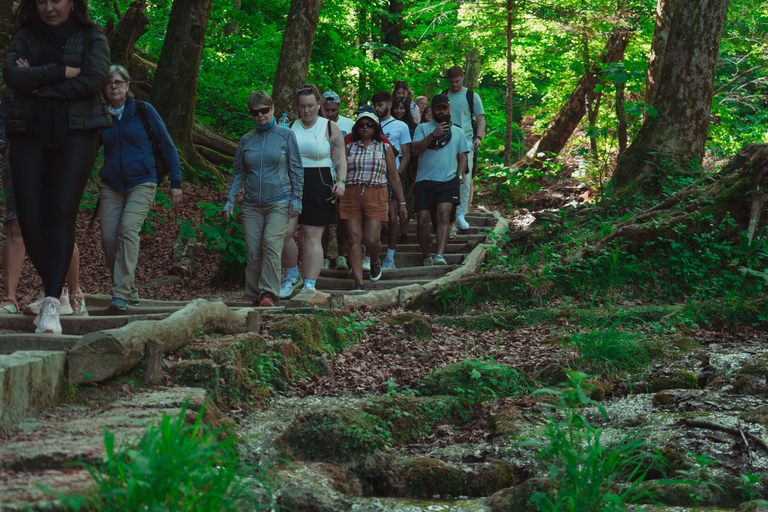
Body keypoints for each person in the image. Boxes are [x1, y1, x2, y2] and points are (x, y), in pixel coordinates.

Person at [3, 0, 111, 333]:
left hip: (78, 133)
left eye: (57, 0)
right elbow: (11, 75)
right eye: (41, 1)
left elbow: (92, 80)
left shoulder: (93, 37)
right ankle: (57, 291)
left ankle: (52, 302)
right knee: (28, 217)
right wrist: (61, 71)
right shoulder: (25, 36)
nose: (49, 7)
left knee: (60, 211)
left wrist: (36, 85)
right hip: (29, 132)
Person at [99, 64, 182, 311]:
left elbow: (168, 146)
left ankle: (121, 294)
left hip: (142, 181)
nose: (114, 86)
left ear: (128, 85)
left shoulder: (143, 110)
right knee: (108, 238)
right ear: (103, 88)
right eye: (109, 83)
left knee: (127, 230)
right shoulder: (100, 115)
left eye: (119, 82)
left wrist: (175, 183)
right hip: (111, 184)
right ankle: (129, 288)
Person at [0, 89, 87, 317]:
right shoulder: (20, 83)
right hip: (19, 159)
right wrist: (6, 148)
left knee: (57, 223)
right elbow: (5, 116)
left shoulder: (64, 81)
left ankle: (73, 293)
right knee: (16, 222)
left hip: (56, 158)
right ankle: (10, 298)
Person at [224, 91, 303, 307]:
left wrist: (297, 199)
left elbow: (296, 169)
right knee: (253, 249)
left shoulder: (286, 136)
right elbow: (238, 171)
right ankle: (253, 295)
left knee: (270, 243)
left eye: (264, 110)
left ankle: (269, 294)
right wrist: (230, 199)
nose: (260, 115)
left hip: (279, 200)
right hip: (251, 204)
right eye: (254, 112)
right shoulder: (246, 140)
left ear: (273, 109)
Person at [280, 84, 347, 297]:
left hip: (320, 182)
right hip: (293, 184)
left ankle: (310, 284)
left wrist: (342, 181)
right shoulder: (290, 127)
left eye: (310, 105)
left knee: (311, 235)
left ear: (318, 105)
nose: (306, 110)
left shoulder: (329, 127)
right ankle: (292, 276)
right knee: (283, 233)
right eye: (302, 106)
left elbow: (340, 158)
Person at [340, 111, 407, 291]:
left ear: (376, 127)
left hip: (377, 194)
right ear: (356, 127)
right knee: (354, 239)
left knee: (371, 239)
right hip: (351, 194)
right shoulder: (349, 147)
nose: (365, 128)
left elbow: (393, 176)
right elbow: (341, 171)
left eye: (369, 124)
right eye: (361, 124)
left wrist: (401, 202)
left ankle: (375, 260)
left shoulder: (384, 147)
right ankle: (358, 282)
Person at [411, 94, 469, 266]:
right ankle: (427, 257)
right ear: (432, 109)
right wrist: (433, 135)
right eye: (438, 108)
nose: (442, 111)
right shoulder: (422, 129)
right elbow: (415, 150)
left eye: (445, 108)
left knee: (443, 215)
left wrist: (460, 174)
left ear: (449, 109)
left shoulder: (458, 131)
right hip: (424, 181)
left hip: (448, 180)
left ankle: (439, 256)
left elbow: (463, 156)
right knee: (422, 220)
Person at [443, 65, 486, 235]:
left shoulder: (471, 96)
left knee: (464, 178)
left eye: (457, 81)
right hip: (446, 142)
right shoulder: (444, 95)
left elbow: (481, 120)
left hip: (466, 142)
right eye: (452, 82)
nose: (454, 85)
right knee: (446, 177)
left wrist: (478, 138)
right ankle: (447, 215)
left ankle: (461, 214)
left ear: (462, 77)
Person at [373, 91, 411, 271]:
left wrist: (397, 173)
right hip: (373, 177)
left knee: (392, 215)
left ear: (389, 104)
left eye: (380, 105)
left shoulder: (400, 126)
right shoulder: (369, 124)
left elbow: (406, 155)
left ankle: (390, 256)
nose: (377, 108)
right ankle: (371, 255)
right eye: (375, 105)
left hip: (394, 176)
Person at [320, 90, 353, 270]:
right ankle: (323, 256)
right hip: (323, 177)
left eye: (333, 110)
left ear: (339, 107)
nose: (330, 113)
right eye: (327, 110)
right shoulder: (318, 124)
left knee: (343, 218)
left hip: (343, 177)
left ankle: (341, 255)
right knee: (323, 220)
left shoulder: (350, 124)